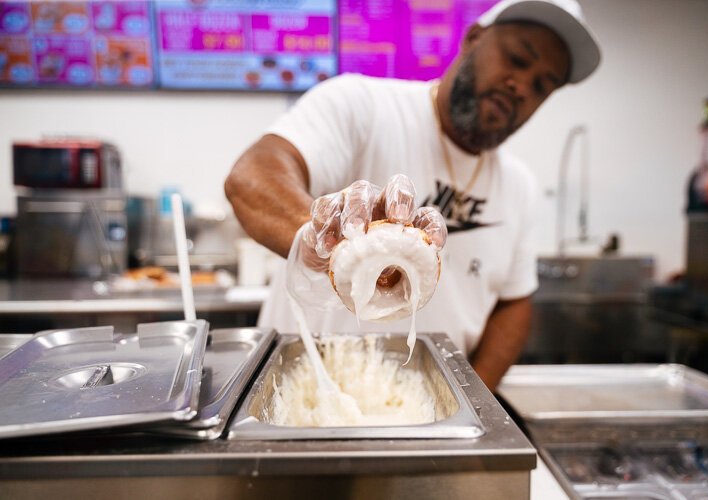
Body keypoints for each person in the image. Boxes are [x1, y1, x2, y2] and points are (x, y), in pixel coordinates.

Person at [225, 0, 601, 391]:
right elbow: (253, 176)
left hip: (428, 412)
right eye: (517, 59)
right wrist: (323, 240)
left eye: (542, 85)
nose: (521, 86)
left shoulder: (518, 186)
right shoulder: (363, 106)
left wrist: (475, 400)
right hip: (306, 390)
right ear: (473, 39)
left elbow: (514, 303)